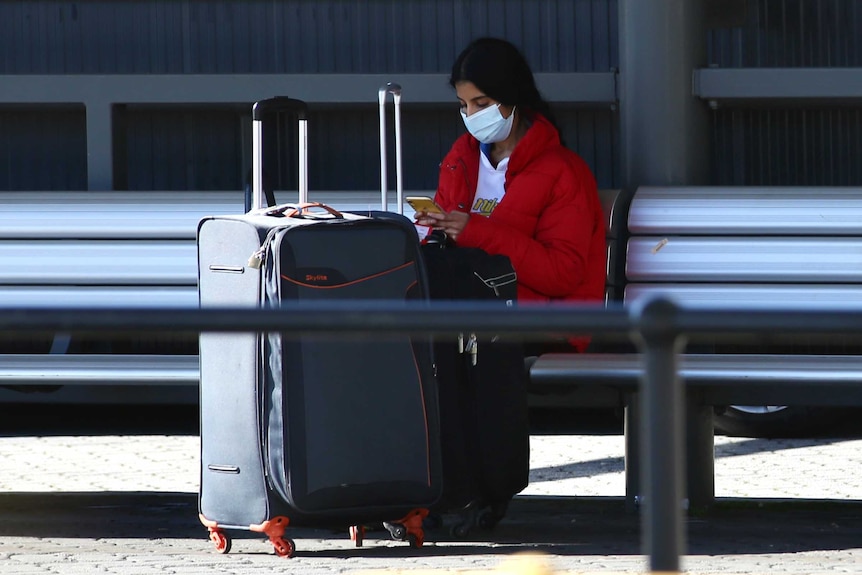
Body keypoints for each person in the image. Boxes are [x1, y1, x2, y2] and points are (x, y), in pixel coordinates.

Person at [414, 37, 607, 352]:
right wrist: (434, 231)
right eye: (464, 105)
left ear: (512, 98)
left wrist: (473, 232)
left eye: (483, 104)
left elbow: (562, 275)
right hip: (474, 316)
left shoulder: (562, 171)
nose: (471, 115)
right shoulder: (460, 159)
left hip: (544, 328)